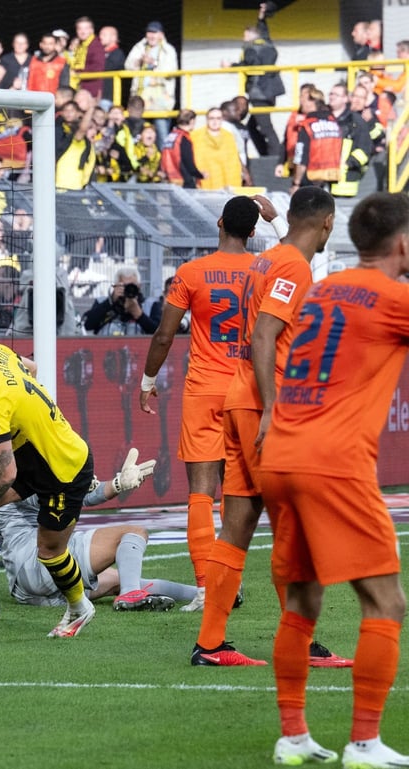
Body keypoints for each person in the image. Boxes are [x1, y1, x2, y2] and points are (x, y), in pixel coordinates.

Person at [261, 192, 409, 768]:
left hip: (281, 454)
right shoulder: (393, 298)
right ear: (401, 245)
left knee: (302, 598)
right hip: (334, 460)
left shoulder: (323, 289)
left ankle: (293, 737)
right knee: (386, 601)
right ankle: (365, 743)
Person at [191, 187, 351, 668]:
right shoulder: (292, 266)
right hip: (263, 408)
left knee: (237, 528)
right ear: (326, 224)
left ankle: (211, 644)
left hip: (239, 401)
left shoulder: (267, 260)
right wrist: (277, 405)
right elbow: (265, 333)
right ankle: (299, 644)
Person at [0, 315, 96, 638]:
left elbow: (6, 472)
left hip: (64, 469)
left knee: (50, 552)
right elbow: (33, 370)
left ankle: (81, 607)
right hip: (28, 454)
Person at [139, 195, 261, 609]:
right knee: (238, 492)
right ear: (253, 232)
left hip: (204, 389)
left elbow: (163, 335)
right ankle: (231, 582)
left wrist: (147, 380)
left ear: (220, 223)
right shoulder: (264, 270)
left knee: (200, 493)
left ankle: (207, 587)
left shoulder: (191, 272)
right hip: (247, 389)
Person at [0, 448, 197, 611]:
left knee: (123, 578)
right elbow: (46, 494)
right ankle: (131, 596)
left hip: (28, 591)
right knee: (133, 533)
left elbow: (77, 495)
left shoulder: (12, 466)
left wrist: (119, 484)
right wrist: (72, 485)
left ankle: (205, 595)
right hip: (37, 564)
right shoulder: (15, 471)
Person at [290, 83, 372, 199]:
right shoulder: (323, 118)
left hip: (343, 183)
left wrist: (347, 164)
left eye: (336, 95)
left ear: (345, 98)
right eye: (331, 94)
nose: (332, 97)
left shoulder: (355, 121)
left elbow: (364, 150)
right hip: (319, 180)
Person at [224, 3, 283, 159]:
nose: (243, 40)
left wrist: (230, 66)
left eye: (244, 36)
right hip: (270, 91)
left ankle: (275, 157)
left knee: (265, 126)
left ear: (250, 36)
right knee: (252, 126)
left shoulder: (251, 48)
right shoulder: (266, 42)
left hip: (259, 92)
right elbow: (263, 29)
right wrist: (261, 17)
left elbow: (248, 64)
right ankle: (266, 155)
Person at [124, 21, 178, 147]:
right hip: (141, 98)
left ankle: (164, 163)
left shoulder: (168, 50)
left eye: (155, 32)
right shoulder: (140, 48)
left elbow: (171, 72)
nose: (152, 36)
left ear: (161, 35)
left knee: (161, 132)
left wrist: (153, 63)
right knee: (136, 131)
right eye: (149, 32)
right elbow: (128, 66)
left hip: (161, 100)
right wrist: (139, 61)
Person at [82, 265, 157, 336]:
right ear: (116, 286)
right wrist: (110, 302)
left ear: (139, 287)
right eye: (124, 286)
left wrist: (140, 315)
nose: (128, 290)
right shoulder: (102, 302)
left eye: (132, 286)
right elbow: (85, 325)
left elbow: (159, 334)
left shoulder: (150, 305)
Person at [191, 107, 243, 190]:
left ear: (222, 119)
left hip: (227, 183)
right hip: (204, 183)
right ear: (207, 119)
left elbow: (234, 163)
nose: (215, 122)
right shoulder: (195, 136)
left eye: (218, 118)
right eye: (212, 118)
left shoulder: (229, 136)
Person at [160, 109, 204, 188]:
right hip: (183, 181)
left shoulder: (170, 137)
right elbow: (188, 162)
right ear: (191, 121)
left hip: (169, 180)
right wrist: (200, 175)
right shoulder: (183, 138)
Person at [68, 16, 104, 101]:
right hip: (80, 88)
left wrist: (76, 71)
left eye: (86, 28)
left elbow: (97, 68)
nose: (83, 32)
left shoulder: (96, 45)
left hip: (91, 90)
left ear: (92, 30)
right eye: (80, 29)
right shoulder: (80, 46)